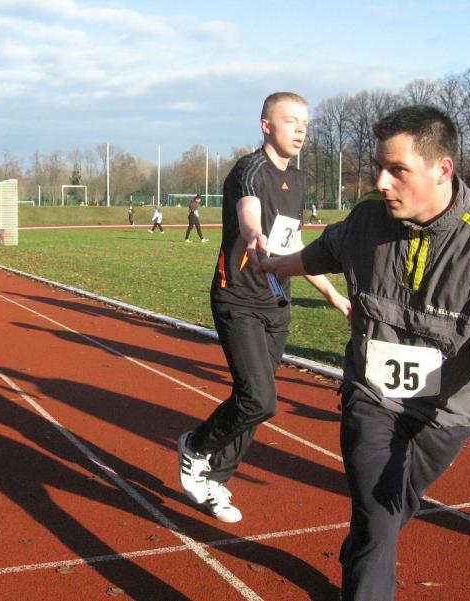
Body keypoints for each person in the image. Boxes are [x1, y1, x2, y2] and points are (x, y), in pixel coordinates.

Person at [260, 105, 470, 601]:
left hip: (447, 416)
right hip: (373, 398)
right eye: (379, 167)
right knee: (378, 510)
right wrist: (271, 265)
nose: (381, 182)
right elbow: (324, 251)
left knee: (388, 514)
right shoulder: (368, 218)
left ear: (442, 169)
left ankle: (362, 552)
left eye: (398, 170)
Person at [177, 92, 351, 523]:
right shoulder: (249, 169)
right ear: (266, 126)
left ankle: (215, 479)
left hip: (276, 302)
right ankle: (196, 447)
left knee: (254, 401)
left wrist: (331, 294)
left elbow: (293, 244)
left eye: (305, 123)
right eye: (291, 121)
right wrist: (253, 234)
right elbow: (248, 210)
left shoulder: (299, 180)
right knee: (259, 399)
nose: (300, 130)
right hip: (237, 297)